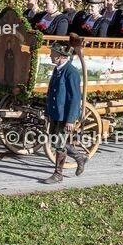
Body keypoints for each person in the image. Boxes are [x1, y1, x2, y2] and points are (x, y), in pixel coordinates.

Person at [41, 42, 88, 184]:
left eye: (53, 54)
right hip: (55, 113)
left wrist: (70, 120)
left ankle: (58, 174)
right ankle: (80, 157)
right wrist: (48, 112)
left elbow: (75, 98)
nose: (50, 55)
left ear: (61, 56)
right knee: (55, 140)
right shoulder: (57, 70)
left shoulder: (71, 72)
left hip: (65, 115)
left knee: (59, 144)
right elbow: (52, 92)